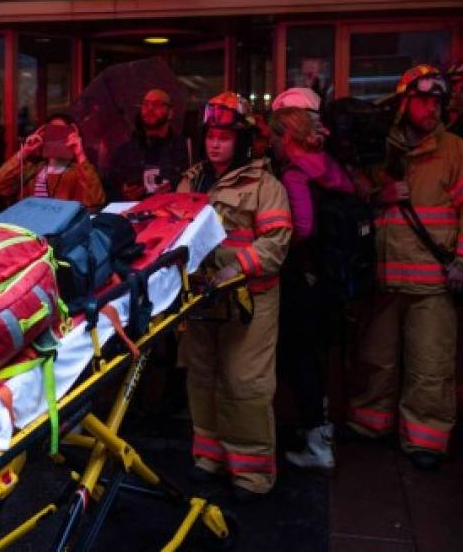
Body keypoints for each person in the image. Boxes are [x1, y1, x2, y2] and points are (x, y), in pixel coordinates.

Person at [345, 65, 463, 471]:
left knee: (431, 366)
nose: (432, 108)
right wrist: (379, 193)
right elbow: (355, 200)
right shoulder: (380, 151)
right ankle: (370, 423)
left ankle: (425, 439)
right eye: (424, 100)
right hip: (384, 278)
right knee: (375, 358)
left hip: (433, 283)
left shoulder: (456, 151)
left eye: (438, 101)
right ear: (405, 102)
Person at [177, 92, 292, 500]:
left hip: (249, 300)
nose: (215, 143)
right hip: (201, 299)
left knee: (246, 383)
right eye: (210, 135)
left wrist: (232, 269)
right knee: (202, 377)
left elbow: (275, 245)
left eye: (225, 136)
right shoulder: (191, 179)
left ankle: (251, 474)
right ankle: (209, 458)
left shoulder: (266, 186)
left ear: (242, 141)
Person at [269, 106, 356, 474]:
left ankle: (317, 442)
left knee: (298, 357)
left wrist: (275, 242)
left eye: (273, 136)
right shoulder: (328, 165)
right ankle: (321, 434)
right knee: (315, 358)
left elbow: (302, 227)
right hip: (331, 276)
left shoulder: (295, 173)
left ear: (286, 137)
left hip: (304, 280)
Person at [0, 113, 105, 209]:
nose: (56, 137)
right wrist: (25, 152)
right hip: (29, 229)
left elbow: (96, 200)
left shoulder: (79, 173)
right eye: (52, 132)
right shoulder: (32, 170)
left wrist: (80, 154)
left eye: (62, 133)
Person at [105, 88, 188, 201]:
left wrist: (173, 189)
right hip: (133, 213)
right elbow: (107, 192)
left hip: (173, 213)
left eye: (157, 104)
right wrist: (123, 195)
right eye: (145, 104)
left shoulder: (184, 148)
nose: (149, 109)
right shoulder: (124, 152)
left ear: (170, 112)